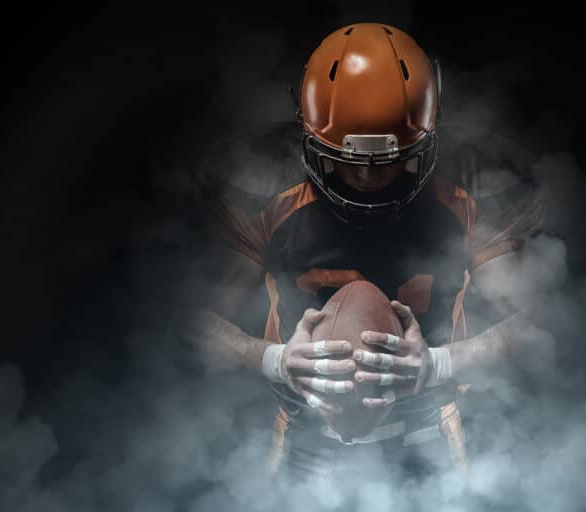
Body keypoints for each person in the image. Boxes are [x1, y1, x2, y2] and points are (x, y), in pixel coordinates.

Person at [174, 22, 546, 484]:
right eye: (348, 163)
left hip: (426, 432)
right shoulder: (266, 185)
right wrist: (272, 359)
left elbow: (536, 328)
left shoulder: (469, 186)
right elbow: (193, 326)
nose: (369, 179)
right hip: (304, 437)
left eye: (391, 161)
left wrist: (436, 365)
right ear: (305, 133)